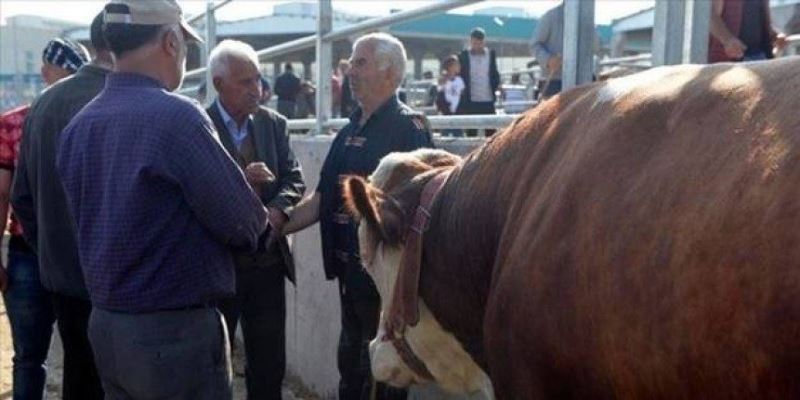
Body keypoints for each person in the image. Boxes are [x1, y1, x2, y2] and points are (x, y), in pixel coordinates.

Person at [55, 1, 272, 398]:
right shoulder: (177, 117)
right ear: (171, 42)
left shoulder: (79, 126)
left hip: (106, 325)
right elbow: (244, 223)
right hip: (174, 337)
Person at [282, 32, 433, 400]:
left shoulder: (409, 128)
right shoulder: (347, 132)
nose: (350, 70)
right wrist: (274, 224)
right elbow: (322, 198)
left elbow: (420, 207)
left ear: (390, 73)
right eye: (351, 61)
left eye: (360, 62)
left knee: (385, 376)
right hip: (350, 276)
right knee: (350, 367)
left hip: (385, 282)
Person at [206, 39, 306, 400]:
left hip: (267, 262)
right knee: (214, 362)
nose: (257, 90)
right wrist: (240, 181)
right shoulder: (199, 126)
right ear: (218, 84)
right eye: (245, 82)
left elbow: (295, 178)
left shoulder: (273, 124)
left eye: (258, 80)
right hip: (220, 267)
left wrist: (277, 212)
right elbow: (195, 190)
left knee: (269, 363)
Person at [6, 24, 101, 400]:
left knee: (41, 357)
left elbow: (14, 195)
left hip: (37, 253)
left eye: (50, 65)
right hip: (86, 260)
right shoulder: (104, 108)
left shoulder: (27, 116)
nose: (46, 73)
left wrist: (40, 243)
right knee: (89, 359)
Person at [709, 0, 787, 62]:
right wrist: (727, 39)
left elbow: (757, 21)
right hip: (731, 61)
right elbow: (709, 15)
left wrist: (775, 35)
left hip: (761, 56)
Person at [457, 27, 500, 136]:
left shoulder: (491, 55)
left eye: (480, 43)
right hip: (471, 101)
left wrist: (497, 86)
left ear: (484, 42)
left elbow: (494, 74)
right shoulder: (463, 56)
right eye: (474, 43)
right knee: (471, 133)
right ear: (470, 41)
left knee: (491, 134)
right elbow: (459, 74)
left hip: (488, 100)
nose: (477, 46)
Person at [531, 2, 564, 99]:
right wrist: (548, 60)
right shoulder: (551, 16)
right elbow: (534, 44)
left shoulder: (587, 17)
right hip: (554, 81)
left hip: (583, 80)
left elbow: (596, 47)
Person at [440, 55, 465, 137]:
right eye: (456, 65)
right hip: (446, 112)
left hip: (457, 112)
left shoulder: (460, 80)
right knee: (445, 135)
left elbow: (461, 95)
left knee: (459, 134)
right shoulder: (443, 80)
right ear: (450, 67)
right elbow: (440, 94)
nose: (459, 66)